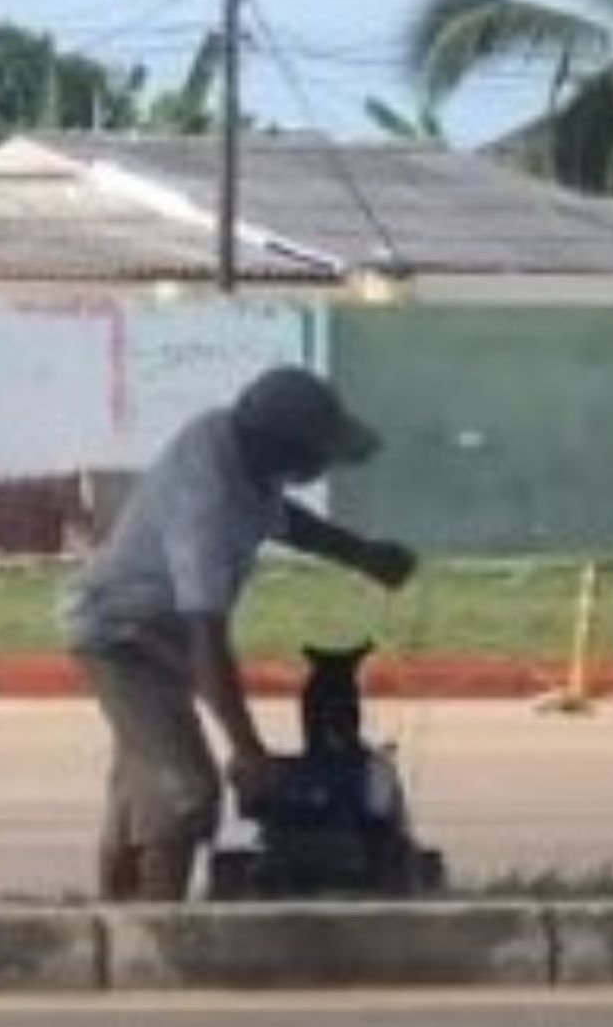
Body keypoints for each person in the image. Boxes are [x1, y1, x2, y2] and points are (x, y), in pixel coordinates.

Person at [63, 365, 416, 902]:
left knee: (141, 785)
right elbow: (206, 635)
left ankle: (114, 922)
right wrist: (249, 753)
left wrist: (360, 554)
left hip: (164, 626)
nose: (320, 467)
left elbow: (282, 519)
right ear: (283, 449)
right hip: (124, 638)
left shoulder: (242, 456)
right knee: (185, 791)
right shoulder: (205, 500)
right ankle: (158, 937)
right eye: (315, 455)